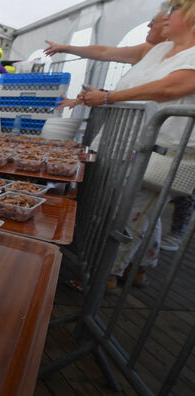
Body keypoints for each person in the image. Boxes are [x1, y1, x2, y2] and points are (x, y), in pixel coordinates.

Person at [79, 0, 195, 291]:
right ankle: (133, 267)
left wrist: (109, 98)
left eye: (174, 9)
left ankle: (106, 276)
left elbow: (167, 89)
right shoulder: (162, 51)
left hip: (160, 152)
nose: (166, 17)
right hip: (134, 147)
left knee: (127, 217)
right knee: (131, 213)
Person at [45, 10, 167, 109]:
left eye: (154, 22)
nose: (148, 25)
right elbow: (104, 52)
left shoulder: (178, 55)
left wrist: (106, 96)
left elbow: (160, 90)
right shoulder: (148, 49)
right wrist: (66, 48)